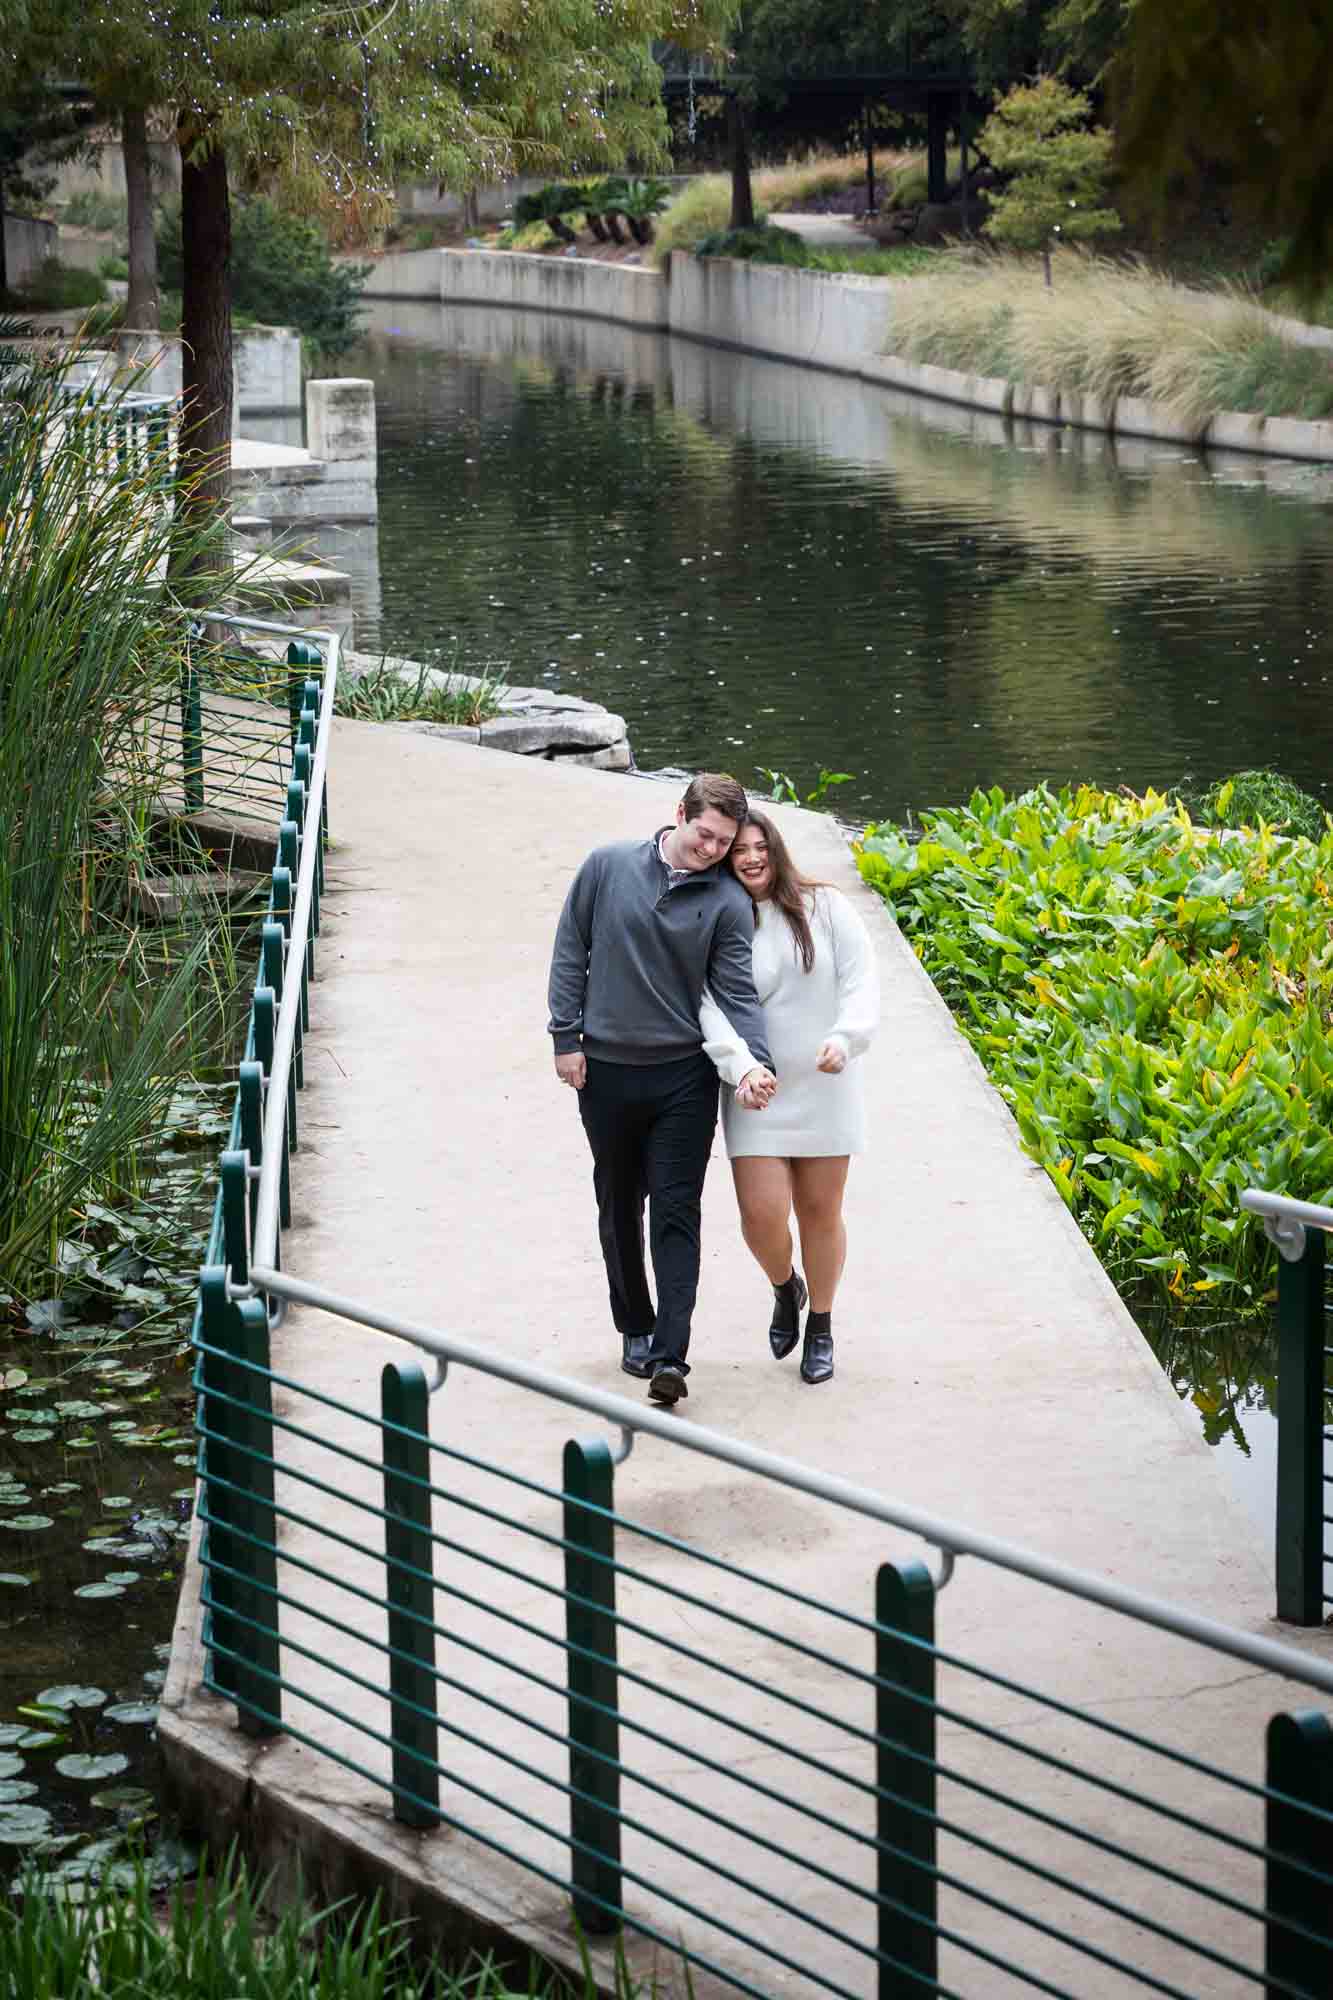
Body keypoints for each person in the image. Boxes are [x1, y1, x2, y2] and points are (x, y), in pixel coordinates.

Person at [547, 774, 776, 1405]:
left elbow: (735, 992)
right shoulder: (608, 866)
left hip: (683, 1078)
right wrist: (566, 1039)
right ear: (679, 813)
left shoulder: (727, 902)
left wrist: (756, 1063)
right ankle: (635, 1327)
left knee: (677, 1211)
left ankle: (672, 1354)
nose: (711, 849)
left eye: (723, 843)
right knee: (619, 1205)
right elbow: (571, 951)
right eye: (705, 834)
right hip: (605, 1071)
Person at [699, 809, 879, 1385]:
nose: (751, 858)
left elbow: (860, 977)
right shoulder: (720, 919)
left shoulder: (824, 907)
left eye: (760, 847)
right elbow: (705, 1003)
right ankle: (785, 1285)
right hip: (756, 1090)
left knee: (821, 1212)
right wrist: (741, 1067)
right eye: (738, 851)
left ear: (776, 851)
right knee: (761, 1215)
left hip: (826, 1083)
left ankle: (821, 1325)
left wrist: (846, 1038)